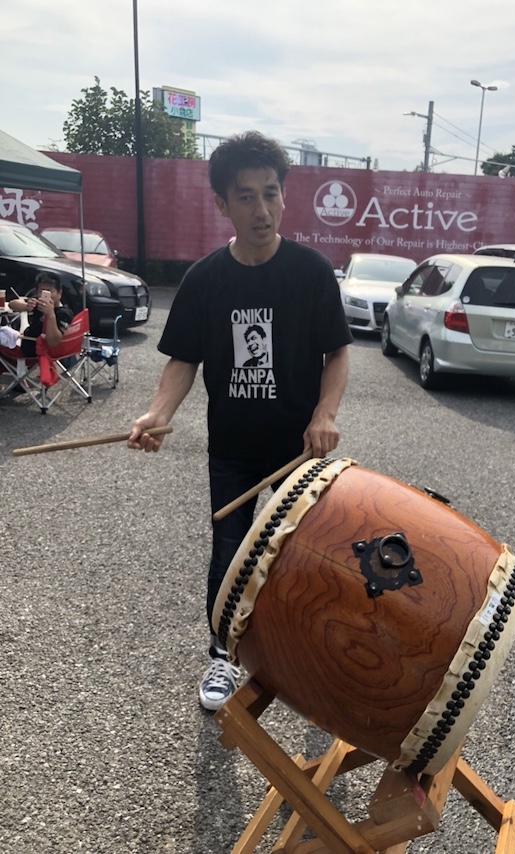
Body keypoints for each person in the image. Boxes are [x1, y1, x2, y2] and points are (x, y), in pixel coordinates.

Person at [128, 130, 353, 712]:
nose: (262, 209)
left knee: (310, 558)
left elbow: (337, 352)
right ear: (222, 204)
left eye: (271, 193)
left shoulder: (310, 272)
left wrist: (325, 413)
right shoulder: (206, 279)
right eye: (246, 197)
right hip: (231, 450)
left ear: (284, 196)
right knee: (230, 553)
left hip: (300, 450)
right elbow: (183, 359)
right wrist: (158, 413)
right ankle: (224, 657)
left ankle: (311, 658)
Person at [8, 272, 73, 358]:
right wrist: (26, 306)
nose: (46, 295)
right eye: (41, 291)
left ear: (59, 293)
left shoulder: (64, 313)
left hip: (37, 351)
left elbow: (53, 342)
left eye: (50, 291)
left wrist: (50, 315)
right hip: (28, 343)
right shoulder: (38, 303)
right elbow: (11, 304)